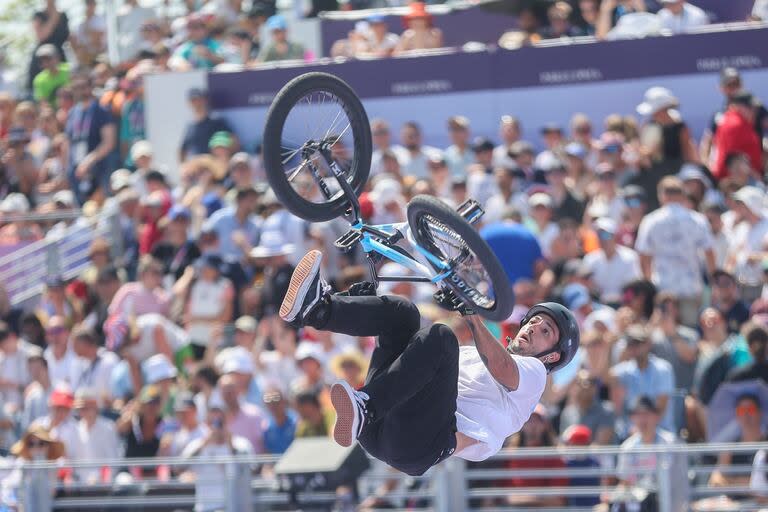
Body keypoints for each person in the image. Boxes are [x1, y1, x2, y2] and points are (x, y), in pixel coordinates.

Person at [279, 250, 579, 476]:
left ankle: (365, 406)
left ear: (552, 355)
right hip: (383, 427)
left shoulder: (535, 374)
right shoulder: (475, 356)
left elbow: (501, 369)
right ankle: (318, 310)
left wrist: (471, 313)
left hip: (418, 445)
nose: (531, 328)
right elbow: (419, 363)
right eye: (533, 321)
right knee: (403, 313)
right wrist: (368, 310)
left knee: (441, 336)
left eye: (545, 332)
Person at [636, 176, 715, 327]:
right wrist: (712, 282)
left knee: (665, 335)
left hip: (663, 288)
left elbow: (643, 255)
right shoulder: (697, 219)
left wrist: (647, 282)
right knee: (690, 331)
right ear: (682, 195)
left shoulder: (651, 220)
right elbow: (709, 252)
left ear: (662, 195)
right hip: (690, 287)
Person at [181, 394, 254, 512]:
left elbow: (248, 469)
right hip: (205, 508)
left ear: (228, 420)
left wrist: (231, 447)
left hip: (234, 508)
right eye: (212, 421)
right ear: (206, 422)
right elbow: (180, 467)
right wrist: (204, 444)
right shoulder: (197, 445)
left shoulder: (241, 444)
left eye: (220, 421)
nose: (216, 426)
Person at [64, 72, 117, 205]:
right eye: (76, 87)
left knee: (100, 210)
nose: (80, 91)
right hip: (76, 172)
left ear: (90, 86)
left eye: (83, 86)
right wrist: (67, 169)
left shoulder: (102, 111)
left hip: (98, 171)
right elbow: (68, 142)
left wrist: (88, 161)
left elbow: (109, 142)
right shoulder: (72, 113)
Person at [712, 91, 763, 180]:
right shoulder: (735, 124)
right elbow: (733, 158)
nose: (753, 111)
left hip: (743, 177)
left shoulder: (741, 122)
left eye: (754, 108)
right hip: (735, 180)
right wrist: (756, 177)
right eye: (749, 107)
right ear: (736, 107)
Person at [179, 88, 233, 161]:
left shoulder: (217, 121)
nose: (196, 103)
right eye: (193, 100)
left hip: (214, 166)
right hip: (196, 167)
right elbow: (182, 150)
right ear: (189, 103)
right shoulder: (190, 126)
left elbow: (232, 141)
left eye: (198, 99)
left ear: (205, 100)